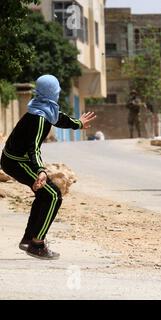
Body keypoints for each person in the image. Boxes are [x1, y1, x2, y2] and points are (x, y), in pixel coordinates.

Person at [0, 74, 96, 259]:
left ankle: (29, 239)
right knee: (53, 195)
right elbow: (33, 148)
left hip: (16, 159)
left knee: (45, 194)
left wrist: (78, 124)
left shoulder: (42, 110)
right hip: (15, 161)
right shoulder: (39, 119)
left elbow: (59, 118)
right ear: (53, 93)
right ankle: (37, 244)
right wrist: (41, 171)